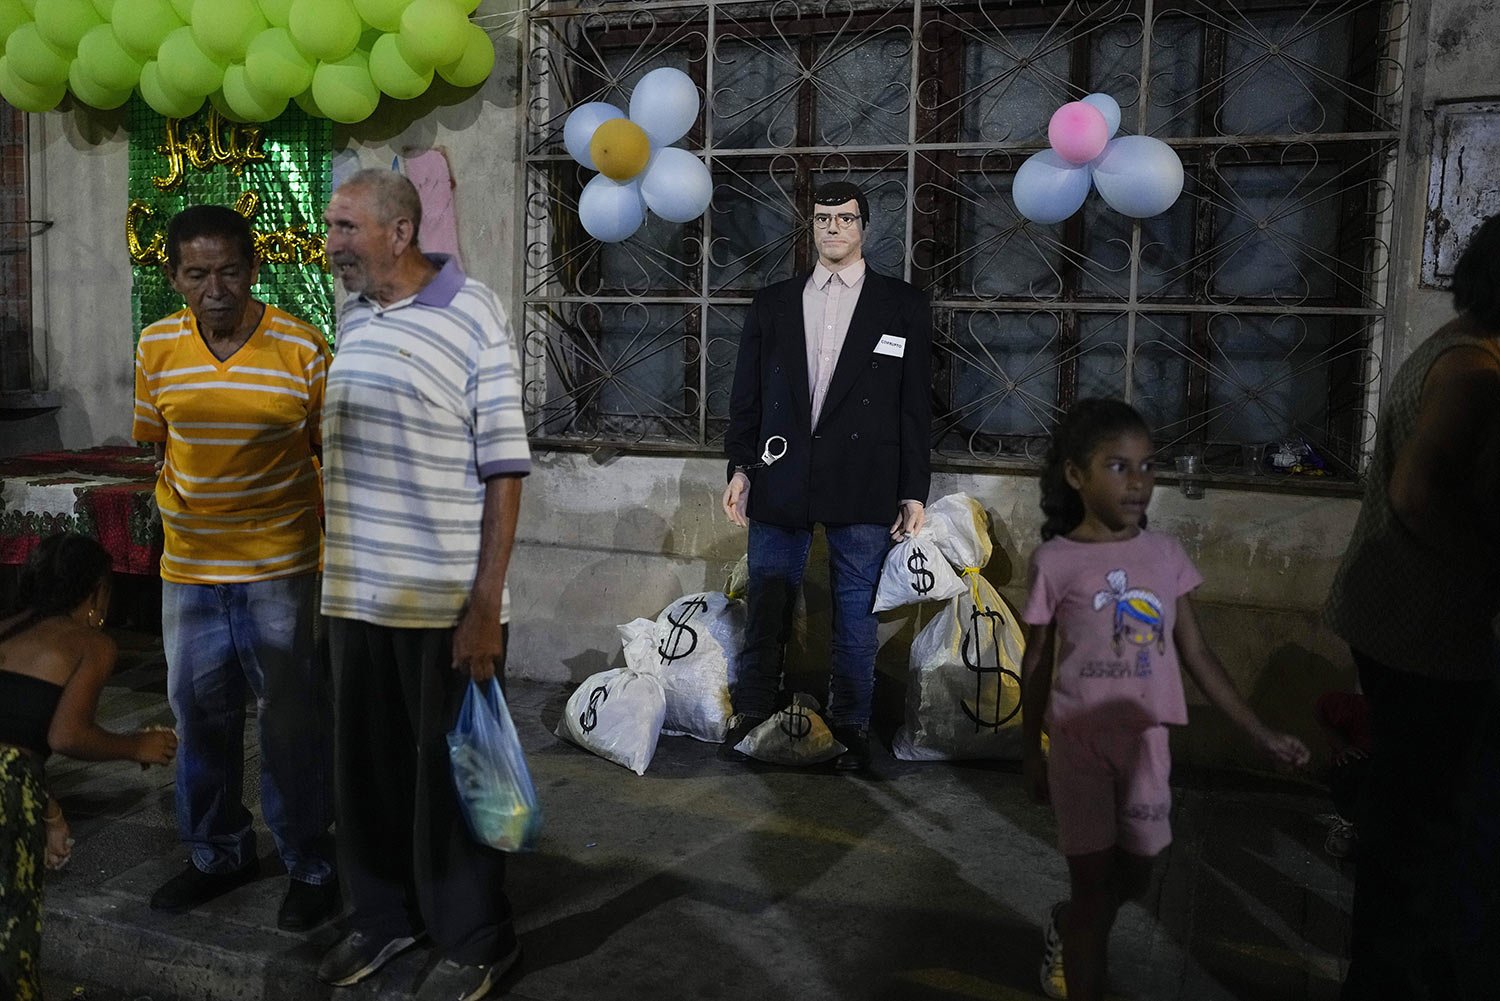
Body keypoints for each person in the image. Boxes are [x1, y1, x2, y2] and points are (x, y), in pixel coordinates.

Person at [316, 168, 530, 1001]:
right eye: (332, 227)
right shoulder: (355, 317)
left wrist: (485, 606)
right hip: (355, 596)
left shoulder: (475, 313)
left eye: (345, 228)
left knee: (453, 777)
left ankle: (477, 937)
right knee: (364, 772)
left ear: (399, 233)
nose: (331, 244)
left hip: (443, 601)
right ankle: (383, 915)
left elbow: (505, 466)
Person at [1019, 398, 1309, 1001]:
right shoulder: (1055, 561)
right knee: (1096, 890)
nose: (1139, 482)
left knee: (1136, 873)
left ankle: (1069, 919)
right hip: (1077, 746)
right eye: (1118, 466)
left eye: (1148, 466)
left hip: (1146, 743)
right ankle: (1079, 942)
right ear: (1076, 475)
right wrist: (1029, 749)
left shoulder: (1165, 555)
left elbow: (1198, 656)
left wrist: (1259, 732)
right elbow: (1037, 662)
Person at [132, 204, 337, 931]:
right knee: (199, 717)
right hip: (188, 570)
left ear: (254, 269)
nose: (214, 288)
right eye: (196, 273)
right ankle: (218, 853)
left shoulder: (302, 347)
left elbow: (330, 455)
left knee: (290, 722)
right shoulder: (155, 346)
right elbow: (157, 444)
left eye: (228, 271)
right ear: (174, 276)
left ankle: (312, 860)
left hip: (280, 568)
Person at [1324, 214, 1500, 1001]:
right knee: (1419, 825)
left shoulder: (1459, 343)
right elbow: (1417, 492)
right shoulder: (1472, 370)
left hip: (1394, 617)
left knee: (1406, 813)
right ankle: (1390, 979)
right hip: (1426, 628)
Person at [721, 180, 932, 771]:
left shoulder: (903, 305)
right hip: (779, 471)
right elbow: (747, 397)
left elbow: (916, 407)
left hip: (865, 478)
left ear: (864, 225)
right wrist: (740, 467)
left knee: (855, 612)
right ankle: (753, 714)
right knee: (767, 599)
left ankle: (850, 728)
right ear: (810, 227)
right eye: (822, 219)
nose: (833, 229)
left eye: (844, 219)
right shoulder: (773, 303)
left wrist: (914, 490)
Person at [0, 534, 178, 1001]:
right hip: (8, 792)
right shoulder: (91, 645)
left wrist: (52, 815)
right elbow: (67, 735)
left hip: (18, 783)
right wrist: (135, 746)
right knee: (9, 936)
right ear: (97, 592)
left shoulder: (7, 629)